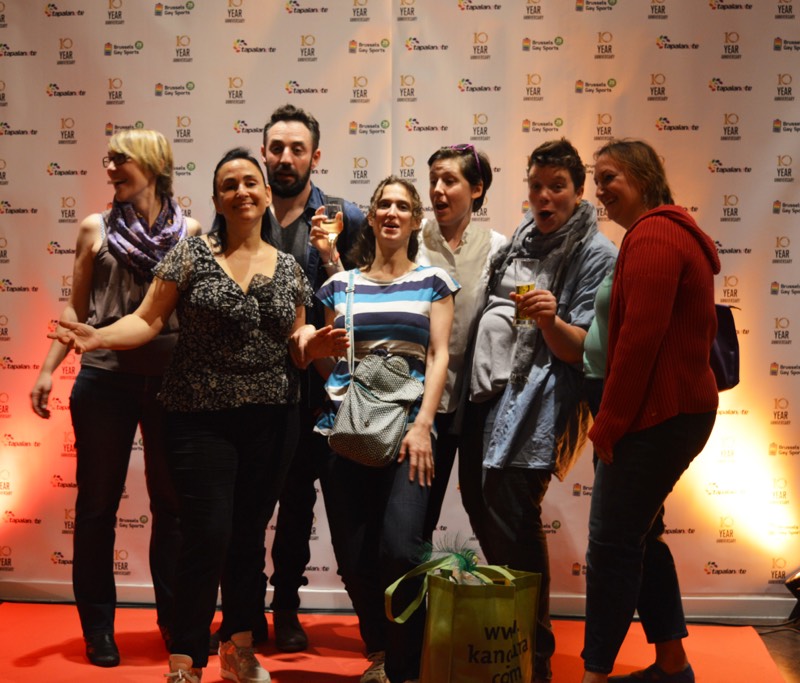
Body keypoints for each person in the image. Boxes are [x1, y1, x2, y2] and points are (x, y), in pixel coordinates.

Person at [51, 147, 346, 683]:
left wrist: (313, 343)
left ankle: (238, 647)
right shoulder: (190, 253)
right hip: (199, 415)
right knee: (206, 534)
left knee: (248, 538)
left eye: (250, 182)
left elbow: (296, 337)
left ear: (265, 194)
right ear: (216, 199)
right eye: (229, 184)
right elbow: (147, 320)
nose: (241, 191)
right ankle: (185, 658)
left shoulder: (287, 266)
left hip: (272, 417)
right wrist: (98, 336)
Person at [29, 129, 201, 668]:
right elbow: (77, 308)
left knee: (173, 507)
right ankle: (98, 627)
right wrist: (48, 370)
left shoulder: (191, 231)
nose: (109, 167)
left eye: (120, 159)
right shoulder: (93, 228)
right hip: (103, 380)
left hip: (172, 381)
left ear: (153, 164)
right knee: (97, 507)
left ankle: (174, 620)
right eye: (108, 159)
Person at [209, 103, 365, 654]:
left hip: (320, 392)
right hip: (250, 392)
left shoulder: (348, 217)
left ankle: (288, 610)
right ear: (263, 152)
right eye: (276, 148)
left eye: (297, 149)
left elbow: (368, 294)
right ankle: (243, 613)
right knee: (244, 512)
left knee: (299, 507)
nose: (285, 158)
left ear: (315, 156)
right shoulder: (242, 209)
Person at [460, 138, 617, 683]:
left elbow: (584, 349)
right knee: (483, 504)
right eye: (536, 186)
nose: (544, 197)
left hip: (540, 403)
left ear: (578, 191)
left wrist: (550, 320)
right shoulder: (522, 237)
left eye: (557, 187)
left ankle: (536, 655)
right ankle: (512, 636)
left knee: (514, 517)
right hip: (490, 395)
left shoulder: (596, 253)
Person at [581, 139, 720, 683]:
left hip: (654, 417)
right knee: (640, 537)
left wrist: (610, 424)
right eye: (597, 179)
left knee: (611, 546)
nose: (600, 190)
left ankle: (594, 676)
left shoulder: (655, 235)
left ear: (642, 177)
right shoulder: (660, 232)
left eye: (609, 177)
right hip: (662, 413)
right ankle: (671, 664)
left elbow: (639, 342)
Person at [310, 176, 458, 683]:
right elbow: (330, 361)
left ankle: (405, 666)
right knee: (354, 558)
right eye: (383, 206)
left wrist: (423, 425)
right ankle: (379, 651)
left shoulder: (435, 281)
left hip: (410, 432)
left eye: (403, 206)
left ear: (416, 220)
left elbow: (439, 356)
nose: (392, 213)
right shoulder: (339, 285)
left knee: (399, 549)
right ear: (370, 218)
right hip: (345, 430)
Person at [415, 143, 507, 542]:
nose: (437, 190)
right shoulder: (412, 239)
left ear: (477, 189)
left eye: (449, 180)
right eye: (433, 180)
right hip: (413, 401)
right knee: (411, 517)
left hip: (470, 407)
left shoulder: (498, 248)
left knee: (478, 506)